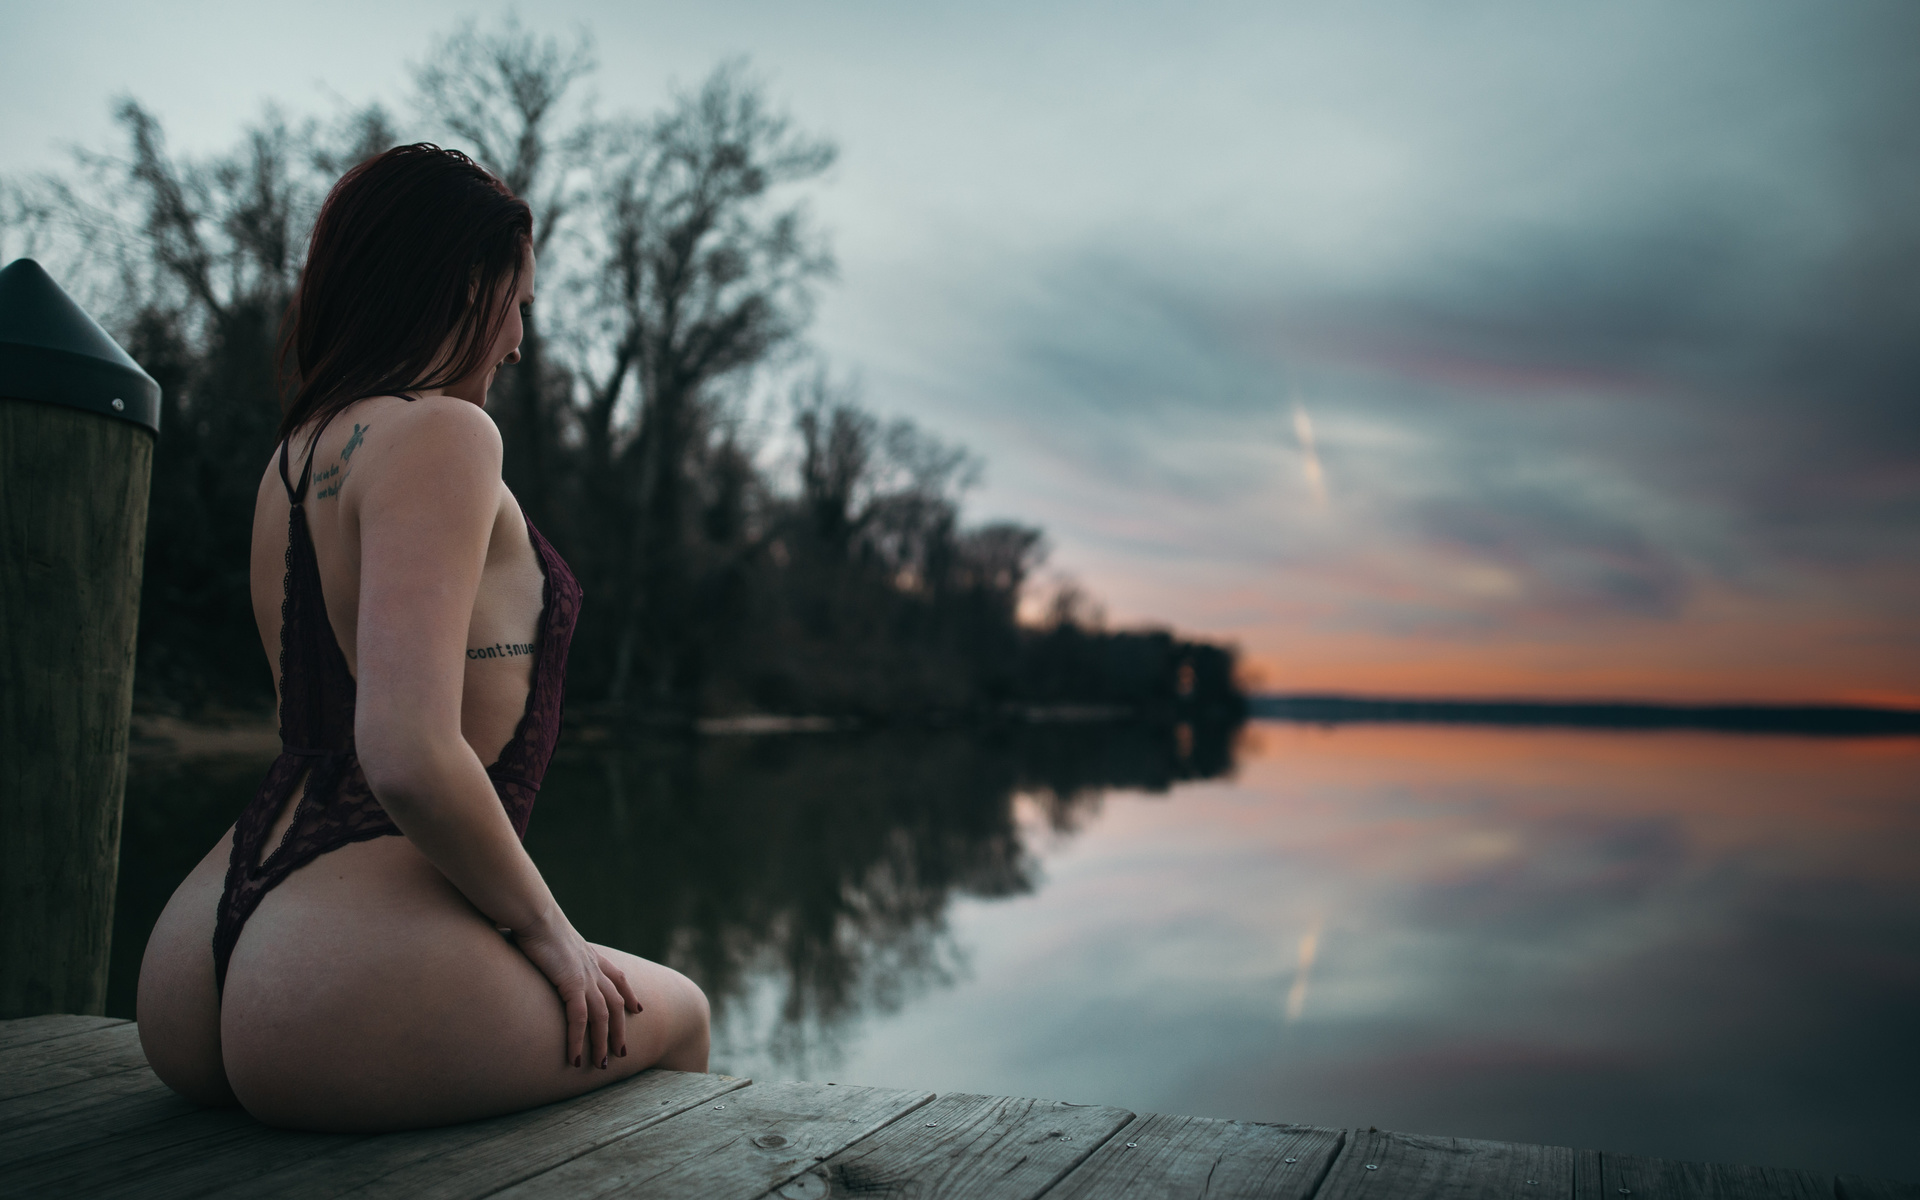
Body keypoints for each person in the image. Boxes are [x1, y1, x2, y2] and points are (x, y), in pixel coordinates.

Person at [135, 144, 711, 1132]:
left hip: (199, 948)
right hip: (341, 973)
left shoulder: (294, 453)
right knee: (682, 1014)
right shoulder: (445, 432)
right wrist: (551, 933)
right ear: (467, 281)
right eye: (518, 301)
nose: (520, 339)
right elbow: (403, 750)